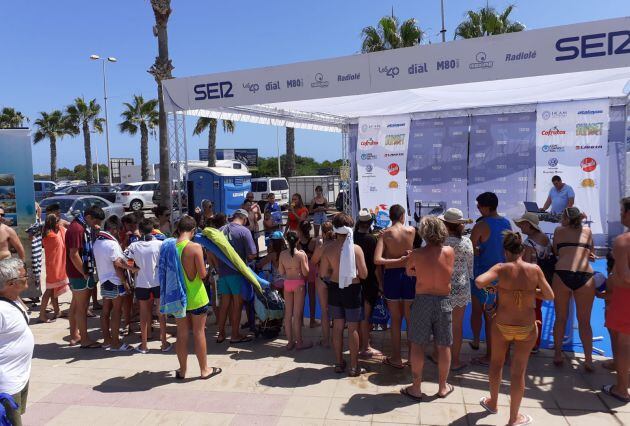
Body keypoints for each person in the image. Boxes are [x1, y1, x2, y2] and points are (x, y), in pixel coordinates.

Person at [476, 231, 554, 426]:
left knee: (496, 364)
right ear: (521, 250)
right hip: (526, 327)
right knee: (519, 373)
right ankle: (513, 419)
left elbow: (479, 282)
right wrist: (530, 292)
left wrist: (500, 288)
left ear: (505, 251)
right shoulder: (534, 269)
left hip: (502, 324)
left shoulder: (501, 268)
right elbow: (549, 295)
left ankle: (493, 403)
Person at [401, 217, 455, 401]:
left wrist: (419, 269)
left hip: (423, 299)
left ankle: (416, 387)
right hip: (443, 300)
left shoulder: (416, 254)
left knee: (417, 344)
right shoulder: (449, 251)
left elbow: (409, 272)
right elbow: (447, 270)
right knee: (443, 344)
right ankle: (442, 387)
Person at [172, 215, 221, 380]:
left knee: (182, 334)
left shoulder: (169, 247)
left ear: (178, 229)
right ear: (193, 231)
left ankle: (182, 370)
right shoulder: (195, 248)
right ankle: (204, 370)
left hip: (178, 298)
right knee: (199, 333)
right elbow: (202, 274)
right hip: (197, 297)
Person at [319, 213, 368, 376]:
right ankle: (354, 366)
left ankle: (339, 363)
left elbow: (323, 273)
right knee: (353, 328)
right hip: (353, 290)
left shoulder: (328, 249)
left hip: (334, 288)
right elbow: (364, 274)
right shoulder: (356, 249)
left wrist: (336, 271)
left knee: (338, 327)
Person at [470, 192, 512, 365]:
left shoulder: (481, 225)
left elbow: (469, 248)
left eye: (479, 206)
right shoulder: (506, 223)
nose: (478, 209)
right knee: (497, 315)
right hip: (501, 275)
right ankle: (501, 352)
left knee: (487, 316)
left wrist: (478, 250)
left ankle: (489, 354)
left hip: (483, 276)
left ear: (486, 207)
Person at [551, 207, 595, 370]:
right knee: (585, 322)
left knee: (560, 318)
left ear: (567, 218)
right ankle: (589, 360)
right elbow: (592, 252)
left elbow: (556, 250)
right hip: (585, 275)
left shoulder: (559, 230)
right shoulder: (588, 231)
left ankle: (557, 354)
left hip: (562, 273)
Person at [374, 204, 415, 369]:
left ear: (390, 216)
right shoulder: (411, 231)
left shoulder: (385, 235)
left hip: (392, 276)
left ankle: (397, 358)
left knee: (396, 320)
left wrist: (396, 261)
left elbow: (377, 260)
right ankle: (412, 358)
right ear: (403, 215)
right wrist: (403, 260)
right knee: (410, 320)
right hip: (409, 275)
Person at [126, 219, 171, 353]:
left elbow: (121, 260)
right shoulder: (160, 244)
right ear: (153, 230)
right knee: (161, 312)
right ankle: (163, 343)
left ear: (139, 231)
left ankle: (144, 345)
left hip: (141, 283)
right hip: (158, 282)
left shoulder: (134, 246)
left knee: (144, 314)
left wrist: (132, 268)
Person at [602, 197, 630, 402]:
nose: (620, 214)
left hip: (625, 298)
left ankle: (621, 388)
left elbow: (624, 277)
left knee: (622, 343)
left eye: (622, 211)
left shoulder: (623, 241)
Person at [0, 258, 34, 426]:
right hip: (6, 382)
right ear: (11, 283)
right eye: (24, 276)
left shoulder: (14, 299)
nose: (27, 277)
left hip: (20, 375)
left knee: (16, 417)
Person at [93, 217, 135, 352]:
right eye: (118, 230)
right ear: (114, 229)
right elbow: (118, 264)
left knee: (105, 311)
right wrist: (130, 273)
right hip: (115, 281)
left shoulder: (97, 242)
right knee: (117, 312)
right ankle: (116, 343)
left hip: (104, 281)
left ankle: (107, 340)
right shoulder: (112, 244)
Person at [439, 208, 473, 371]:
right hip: (461, 285)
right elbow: (470, 266)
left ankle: (440, 357)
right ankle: (456, 360)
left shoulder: (439, 241)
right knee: (457, 326)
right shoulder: (466, 241)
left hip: (441, 284)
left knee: (441, 324)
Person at [215, 209, 256, 344]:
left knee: (224, 304)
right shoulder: (244, 231)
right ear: (244, 219)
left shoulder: (220, 229)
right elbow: (252, 255)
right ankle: (235, 335)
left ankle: (221, 334)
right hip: (236, 274)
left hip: (222, 273)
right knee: (237, 305)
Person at [65, 205, 104, 348]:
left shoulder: (80, 226)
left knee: (75, 305)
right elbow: (74, 254)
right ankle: (85, 339)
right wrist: (85, 273)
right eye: (95, 221)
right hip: (79, 274)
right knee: (82, 308)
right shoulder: (77, 229)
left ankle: (75, 335)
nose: (97, 224)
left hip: (77, 272)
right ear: (88, 217)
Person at [514, 212, 553, 353]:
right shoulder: (544, 238)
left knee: (528, 311)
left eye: (522, 224)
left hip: (530, 280)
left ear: (529, 225)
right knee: (537, 311)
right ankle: (535, 342)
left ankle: (530, 342)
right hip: (542, 278)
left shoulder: (529, 242)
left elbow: (525, 264)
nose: (520, 227)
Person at [353, 209, 381, 359]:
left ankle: (359, 345)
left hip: (355, 281)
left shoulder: (352, 237)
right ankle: (365, 346)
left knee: (357, 316)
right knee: (365, 316)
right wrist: (381, 284)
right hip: (369, 281)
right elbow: (376, 266)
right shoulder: (372, 240)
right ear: (370, 223)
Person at [279, 231, 311, 350]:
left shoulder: (282, 254)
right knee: (297, 315)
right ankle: (299, 342)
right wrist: (305, 259)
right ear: (298, 241)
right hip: (298, 284)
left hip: (287, 283)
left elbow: (281, 272)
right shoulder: (301, 255)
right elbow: (305, 272)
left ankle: (289, 342)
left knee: (288, 314)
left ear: (287, 240)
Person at [38, 214, 69, 323]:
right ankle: (42, 315)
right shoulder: (51, 235)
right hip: (54, 266)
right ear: (53, 223)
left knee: (53, 289)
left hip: (55, 265)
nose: (59, 223)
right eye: (57, 221)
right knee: (50, 290)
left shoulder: (51, 232)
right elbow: (64, 228)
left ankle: (57, 311)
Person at [311, 221, 334, 347]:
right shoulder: (338, 245)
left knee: (325, 311)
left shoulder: (321, 247)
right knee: (338, 311)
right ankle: (337, 339)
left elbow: (313, 261)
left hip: (323, 278)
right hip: (335, 278)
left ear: (323, 233)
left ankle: (326, 340)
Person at [298, 220, 321, 328]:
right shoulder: (314, 241)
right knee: (312, 296)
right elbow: (317, 256)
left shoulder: (297, 242)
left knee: (301, 296)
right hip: (312, 267)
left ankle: (301, 321)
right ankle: (312, 320)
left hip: (302, 268)